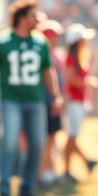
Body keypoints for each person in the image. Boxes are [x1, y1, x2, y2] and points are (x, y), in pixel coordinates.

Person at [0, 0, 63, 196]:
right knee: (10, 144)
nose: (37, 19)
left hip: (35, 100)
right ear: (21, 17)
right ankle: (4, 190)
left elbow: (48, 71)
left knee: (37, 144)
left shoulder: (40, 41)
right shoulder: (2, 41)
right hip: (11, 100)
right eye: (33, 15)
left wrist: (55, 96)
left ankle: (27, 189)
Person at [62, 23, 98, 182]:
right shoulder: (71, 57)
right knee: (72, 136)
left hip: (78, 100)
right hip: (73, 101)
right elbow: (70, 79)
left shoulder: (79, 57)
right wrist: (87, 83)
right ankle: (69, 168)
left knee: (73, 136)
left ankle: (85, 162)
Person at [37, 19, 64, 187]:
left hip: (53, 100)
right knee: (46, 138)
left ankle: (51, 168)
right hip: (46, 101)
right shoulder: (43, 53)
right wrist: (52, 99)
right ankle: (44, 170)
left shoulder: (55, 54)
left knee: (52, 137)